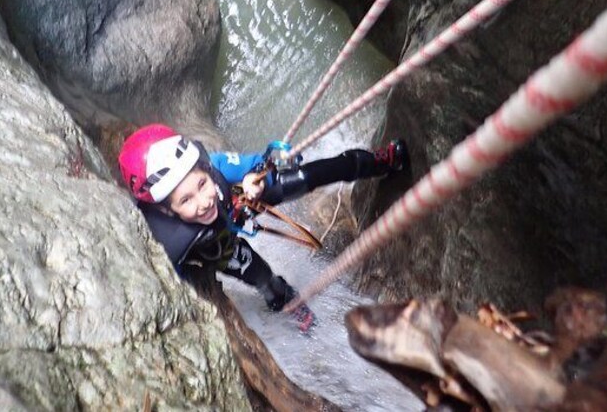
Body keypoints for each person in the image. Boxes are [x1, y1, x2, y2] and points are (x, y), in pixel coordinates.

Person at [117, 124, 408, 333]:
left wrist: (252, 179)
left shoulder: (214, 168)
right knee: (264, 278)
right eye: (186, 201)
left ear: (204, 171)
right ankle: (293, 306)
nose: (204, 202)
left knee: (311, 175)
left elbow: (256, 163)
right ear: (166, 210)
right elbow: (173, 285)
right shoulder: (170, 245)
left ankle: (377, 161)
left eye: (202, 185)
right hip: (217, 246)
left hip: (240, 199)